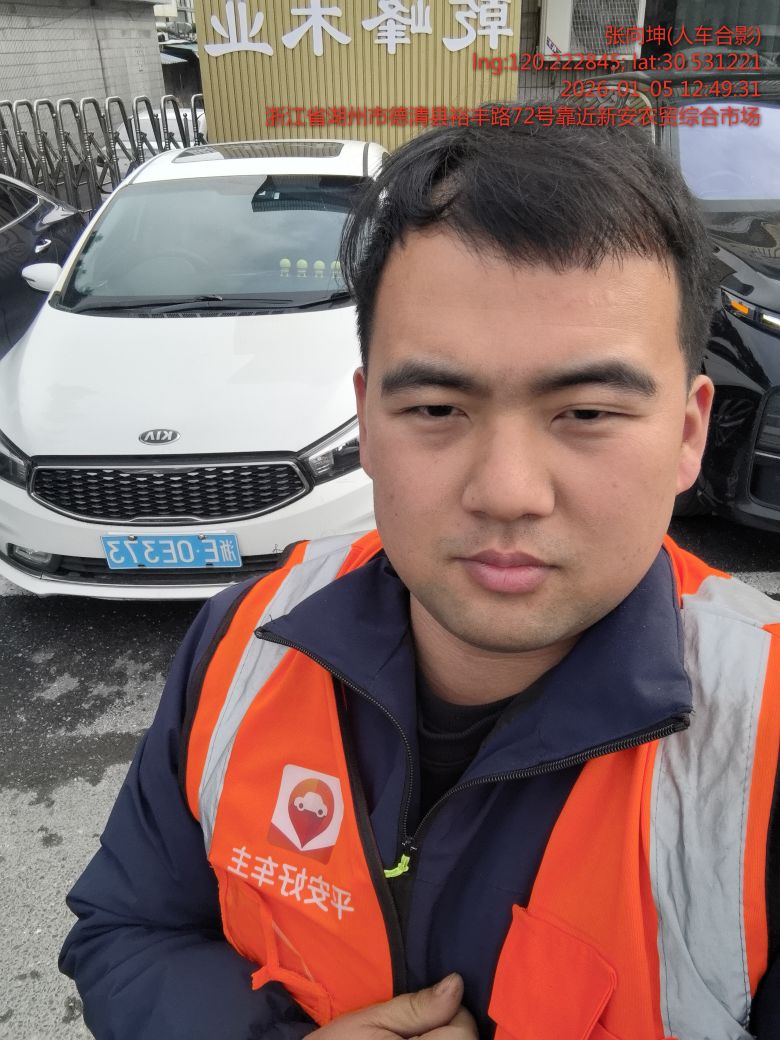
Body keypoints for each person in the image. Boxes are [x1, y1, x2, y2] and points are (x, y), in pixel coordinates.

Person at [60, 116, 780, 1040]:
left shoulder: (764, 735)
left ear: (687, 433)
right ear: (366, 421)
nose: (507, 492)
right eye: (438, 408)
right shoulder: (247, 639)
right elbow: (129, 928)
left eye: (588, 412)